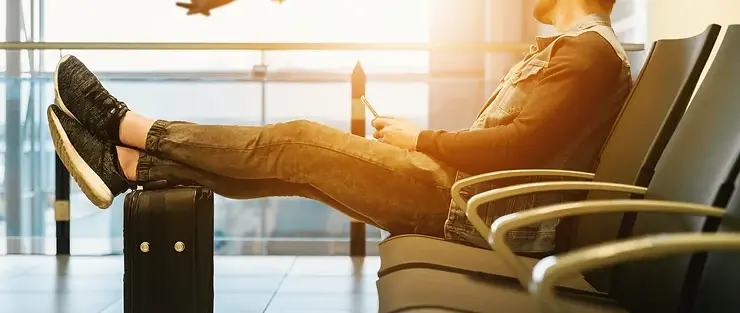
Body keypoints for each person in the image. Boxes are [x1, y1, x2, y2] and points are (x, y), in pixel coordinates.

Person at [47, 0, 631, 254]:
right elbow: (521, 140)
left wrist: (420, 141)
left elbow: (517, 146)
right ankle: (130, 165)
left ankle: (130, 129)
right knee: (295, 169)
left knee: (296, 141)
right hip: (465, 194)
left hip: (467, 207)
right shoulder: (580, 53)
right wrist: (419, 139)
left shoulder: (587, 56)